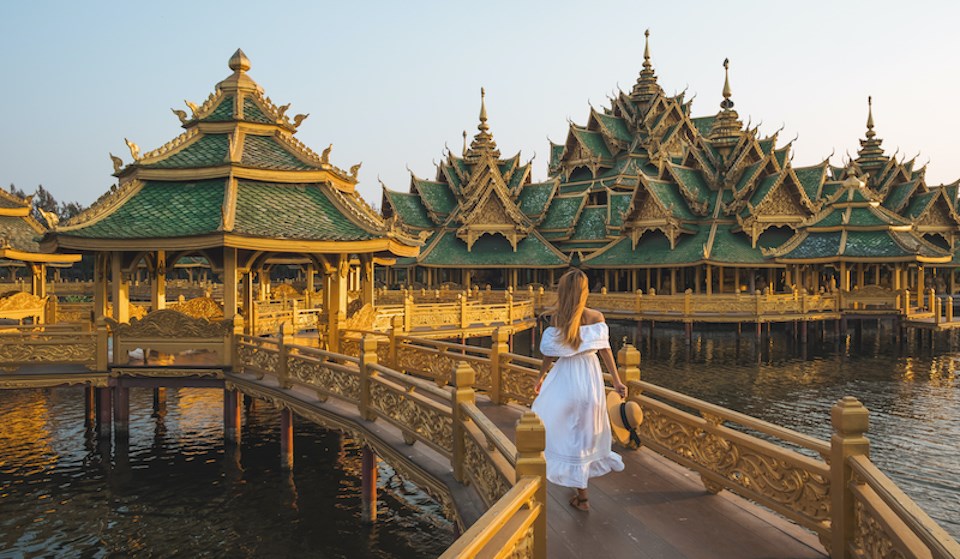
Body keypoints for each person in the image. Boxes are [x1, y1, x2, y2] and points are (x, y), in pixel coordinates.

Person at [531, 268, 626, 512]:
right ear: (585, 292)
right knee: (585, 434)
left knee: (563, 430)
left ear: (563, 292)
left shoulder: (557, 318)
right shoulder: (596, 317)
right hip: (589, 379)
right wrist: (616, 381)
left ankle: (580, 494)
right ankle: (582, 495)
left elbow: (549, 355)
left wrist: (540, 378)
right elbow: (606, 351)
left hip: (565, 378)